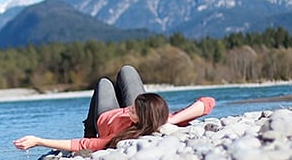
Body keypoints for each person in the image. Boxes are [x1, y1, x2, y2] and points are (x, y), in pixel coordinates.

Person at [12, 65, 215, 153]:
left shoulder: (120, 136)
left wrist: (38, 141)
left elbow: (81, 144)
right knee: (127, 70)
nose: (128, 109)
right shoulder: (157, 117)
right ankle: (137, 101)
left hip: (105, 114)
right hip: (149, 113)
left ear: (138, 120)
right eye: (132, 107)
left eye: (132, 111)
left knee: (104, 83)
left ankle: (89, 127)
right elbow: (207, 102)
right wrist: (170, 120)